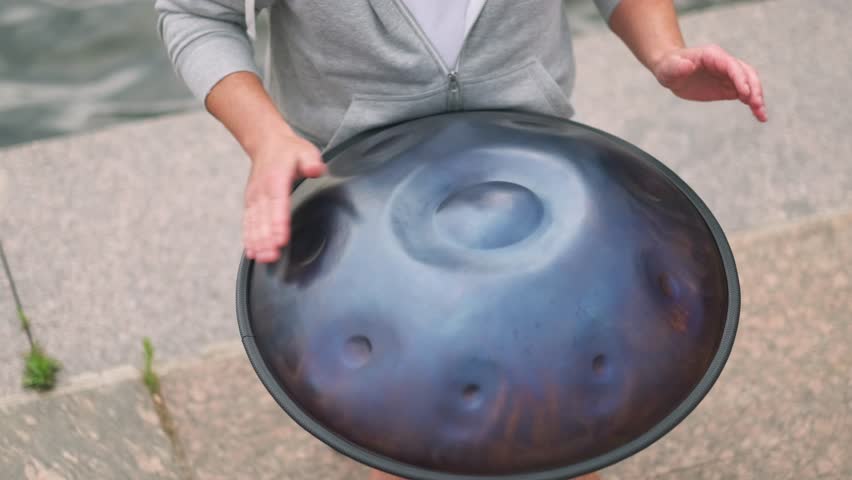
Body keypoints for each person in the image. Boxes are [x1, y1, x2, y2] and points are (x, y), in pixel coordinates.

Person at [155, 1, 766, 479]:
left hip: (536, 184)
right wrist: (265, 135)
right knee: (407, 436)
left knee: (566, 418)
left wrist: (665, 51)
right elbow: (196, 12)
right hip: (362, 193)